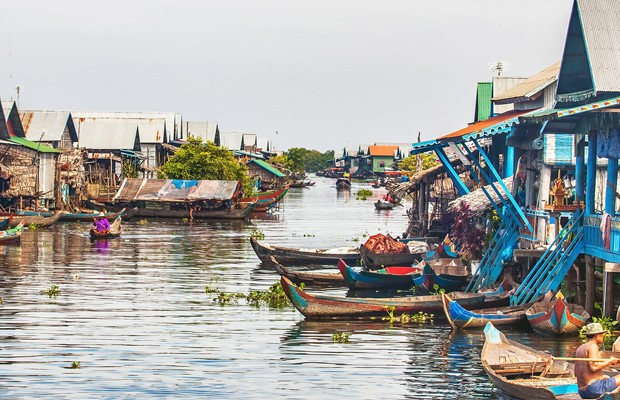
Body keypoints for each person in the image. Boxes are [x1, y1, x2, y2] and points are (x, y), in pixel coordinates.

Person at [575, 322, 620, 399]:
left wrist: (600, 377)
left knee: (606, 377)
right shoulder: (593, 346)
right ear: (596, 336)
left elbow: (576, 373)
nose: (603, 336)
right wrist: (609, 361)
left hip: (582, 391)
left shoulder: (580, 348)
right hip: (593, 389)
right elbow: (594, 367)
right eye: (602, 334)